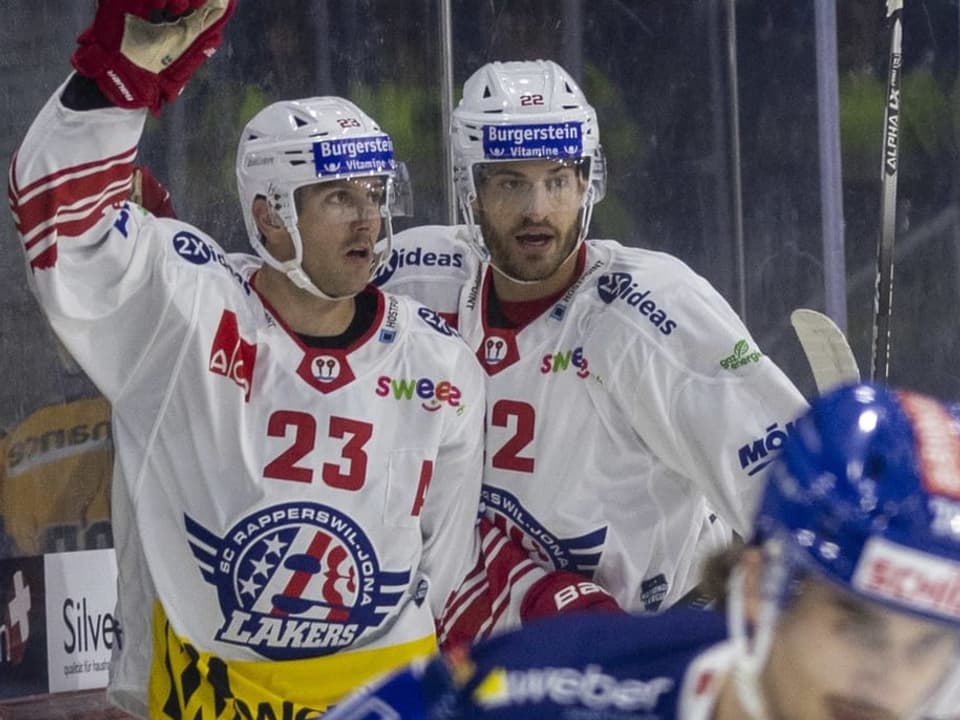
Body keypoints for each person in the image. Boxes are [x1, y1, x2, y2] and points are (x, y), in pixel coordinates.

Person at [8, 3, 614, 716]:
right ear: (268, 214)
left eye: (376, 195)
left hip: (384, 693)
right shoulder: (185, 315)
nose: (369, 219)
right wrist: (115, 78)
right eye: (338, 197)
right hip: (212, 692)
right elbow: (60, 221)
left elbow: (442, 569)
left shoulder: (441, 364)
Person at [376, 59, 808, 628]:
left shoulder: (650, 312)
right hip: (480, 649)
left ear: (587, 184)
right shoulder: (420, 276)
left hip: (640, 640)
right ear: (471, 189)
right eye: (510, 182)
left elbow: (786, 482)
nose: (537, 209)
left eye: (557, 180)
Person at [325, 381, 960, 720]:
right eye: (856, 624)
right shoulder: (539, 690)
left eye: (929, 641)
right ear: (758, 589)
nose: (890, 680)